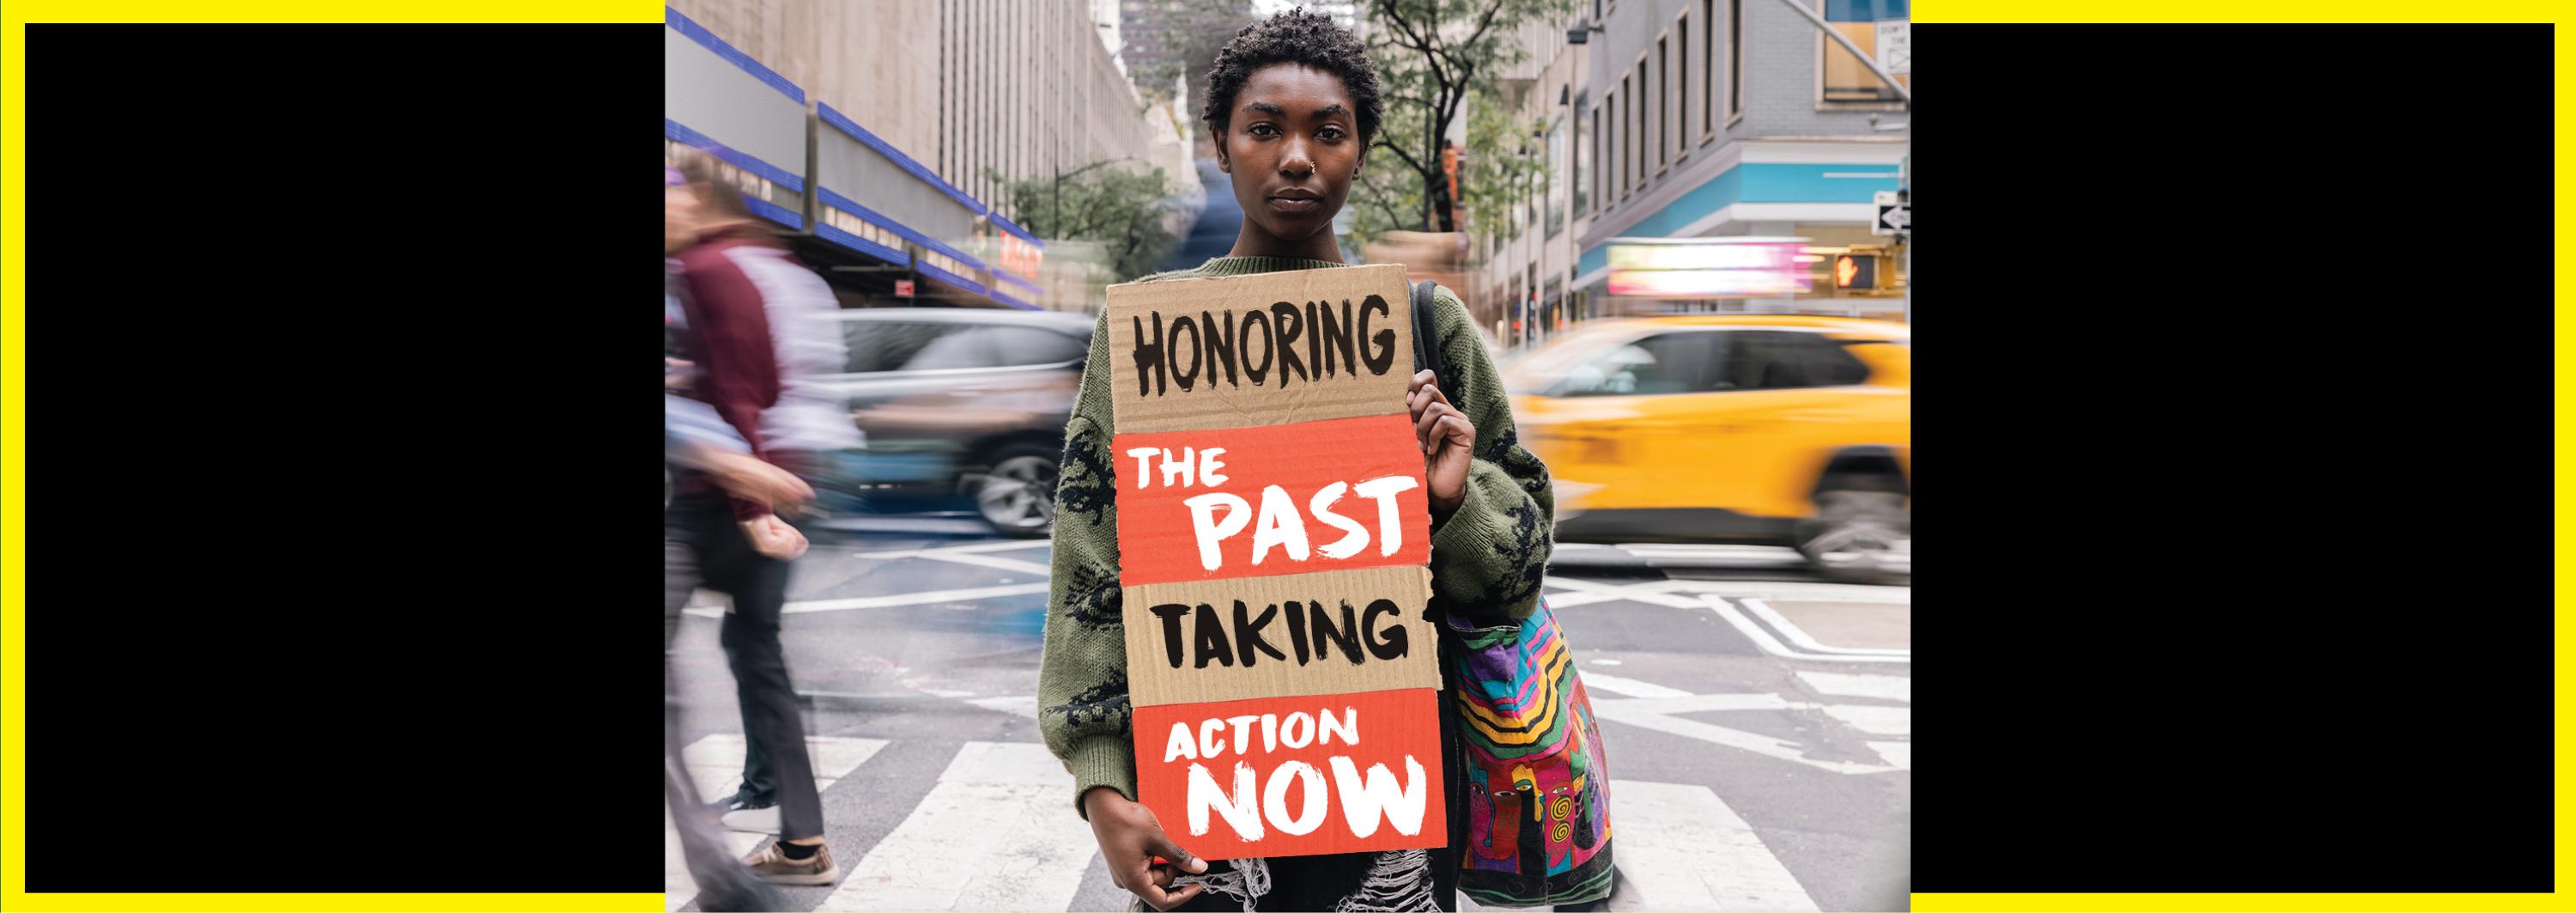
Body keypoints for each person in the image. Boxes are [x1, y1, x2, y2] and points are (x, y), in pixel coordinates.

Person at [1035, 10, 1565, 911]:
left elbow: (1517, 572)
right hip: (1203, 792)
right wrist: (1099, 781)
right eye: (1264, 128)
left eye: (1328, 132)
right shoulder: (1146, 339)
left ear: (1361, 149)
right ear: (1219, 143)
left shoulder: (1424, 328)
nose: (1295, 157)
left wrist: (1452, 498)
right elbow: (1091, 564)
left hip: (1389, 798)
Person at [666, 150, 841, 886]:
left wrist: (750, 503)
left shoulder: (708, 269)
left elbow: (742, 390)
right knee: (759, 653)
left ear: (700, 200)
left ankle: (729, 860)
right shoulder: (769, 266)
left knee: (752, 655)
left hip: (719, 499)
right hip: (771, 482)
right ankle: (802, 838)